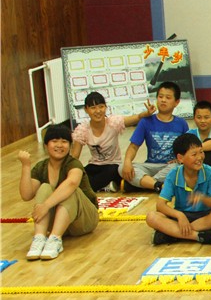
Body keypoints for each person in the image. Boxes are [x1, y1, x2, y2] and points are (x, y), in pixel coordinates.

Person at [19, 125, 99, 260]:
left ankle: (55, 239)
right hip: (57, 221)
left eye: (64, 141)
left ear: (70, 145)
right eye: (54, 141)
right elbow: (26, 195)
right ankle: (39, 238)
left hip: (84, 220)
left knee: (69, 190)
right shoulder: (41, 167)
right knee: (44, 187)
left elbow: (72, 183)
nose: (59, 145)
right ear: (46, 145)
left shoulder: (73, 163)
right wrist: (26, 166)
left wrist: (46, 206)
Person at [145, 133, 211, 245]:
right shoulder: (173, 174)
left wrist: (203, 199)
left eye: (201, 152)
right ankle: (198, 236)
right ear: (180, 158)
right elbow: (160, 205)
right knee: (151, 217)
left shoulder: (210, 172)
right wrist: (180, 216)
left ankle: (173, 234)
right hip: (181, 216)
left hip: (204, 216)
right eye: (194, 154)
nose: (200, 157)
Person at [70, 91, 155, 192]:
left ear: (105, 107)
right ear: (86, 109)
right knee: (81, 173)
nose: (98, 111)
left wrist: (147, 113)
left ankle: (85, 188)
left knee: (112, 171)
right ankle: (103, 186)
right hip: (94, 165)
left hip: (113, 166)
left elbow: (136, 118)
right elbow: (74, 157)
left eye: (101, 107)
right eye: (93, 108)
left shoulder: (113, 123)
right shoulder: (83, 129)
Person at [120, 81, 188, 192]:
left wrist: (180, 159)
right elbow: (133, 147)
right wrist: (127, 162)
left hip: (170, 166)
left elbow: (189, 149)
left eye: (168, 97)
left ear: (176, 102)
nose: (163, 100)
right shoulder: (146, 121)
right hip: (150, 166)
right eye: (160, 97)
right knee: (122, 167)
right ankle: (157, 185)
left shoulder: (182, 123)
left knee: (179, 168)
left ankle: (143, 184)